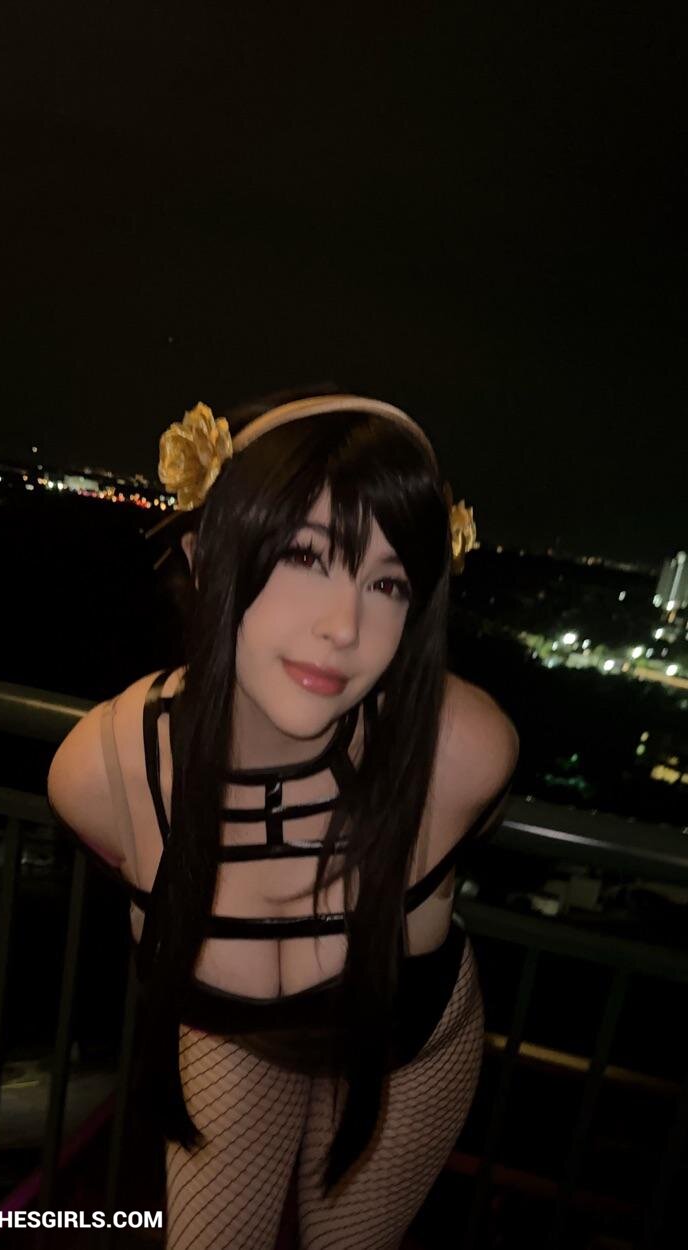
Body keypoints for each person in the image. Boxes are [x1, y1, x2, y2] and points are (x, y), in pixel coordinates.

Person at [47, 390, 519, 1249]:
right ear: (204, 557)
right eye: (305, 555)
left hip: (405, 1052)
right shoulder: (106, 773)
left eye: (387, 583)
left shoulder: (458, 751)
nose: (344, 626)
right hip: (235, 1042)